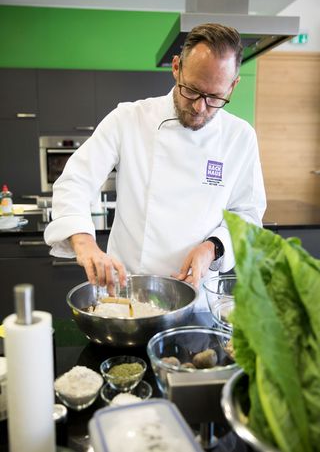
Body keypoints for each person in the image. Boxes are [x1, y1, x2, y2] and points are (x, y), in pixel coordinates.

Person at [44, 23, 266, 308]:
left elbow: (247, 215)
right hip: (127, 295)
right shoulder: (129, 119)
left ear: (233, 85)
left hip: (197, 300)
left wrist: (212, 248)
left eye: (215, 98)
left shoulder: (240, 137)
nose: (200, 107)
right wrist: (85, 244)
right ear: (176, 68)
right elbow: (76, 180)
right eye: (192, 91)